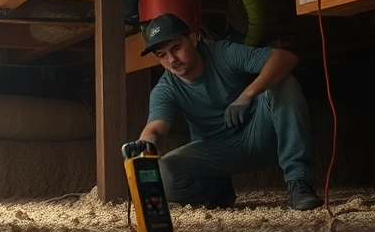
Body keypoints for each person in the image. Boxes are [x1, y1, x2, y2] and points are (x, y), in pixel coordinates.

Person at [133, 13, 322, 211]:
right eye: (162, 55)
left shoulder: (222, 53)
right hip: (215, 152)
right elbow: (156, 129)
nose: (172, 60)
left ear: (192, 39)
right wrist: (145, 147)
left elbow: (285, 58)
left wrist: (247, 95)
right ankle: (216, 191)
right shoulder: (165, 88)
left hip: (259, 135)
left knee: (285, 84)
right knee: (161, 175)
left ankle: (299, 183)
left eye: (176, 48)